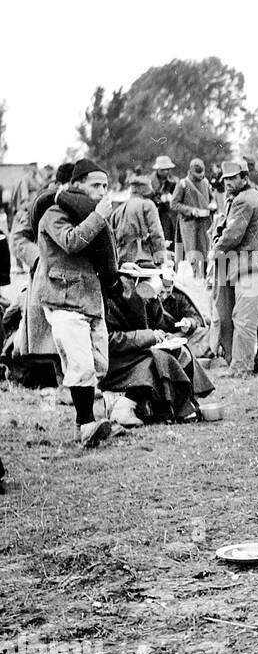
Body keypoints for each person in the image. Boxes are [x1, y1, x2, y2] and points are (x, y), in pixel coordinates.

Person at [28, 158, 118, 446]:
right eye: (96, 185)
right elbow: (71, 242)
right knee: (81, 365)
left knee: (98, 364)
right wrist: (99, 217)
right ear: (75, 185)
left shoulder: (89, 214)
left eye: (105, 185)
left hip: (90, 300)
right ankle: (86, 426)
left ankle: (91, 419)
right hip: (63, 298)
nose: (102, 191)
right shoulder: (54, 213)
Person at [101, 263, 215, 425]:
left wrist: (163, 333)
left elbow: (161, 324)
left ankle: (183, 402)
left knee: (180, 351)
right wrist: (149, 336)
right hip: (116, 361)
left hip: (137, 352)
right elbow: (110, 340)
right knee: (159, 359)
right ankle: (132, 408)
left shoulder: (149, 298)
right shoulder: (112, 301)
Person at [209, 158, 258, 376]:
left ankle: (241, 367)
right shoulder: (253, 196)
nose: (229, 183)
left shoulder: (243, 201)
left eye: (233, 178)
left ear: (245, 177)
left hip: (252, 266)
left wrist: (215, 250)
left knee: (243, 318)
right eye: (226, 179)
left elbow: (232, 235)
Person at [109, 176, 167, 267]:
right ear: (145, 191)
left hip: (121, 259)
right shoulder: (147, 205)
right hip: (142, 257)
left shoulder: (117, 210)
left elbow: (112, 238)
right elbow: (156, 232)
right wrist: (161, 257)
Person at [171, 158, 215, 270]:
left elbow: (212, 199)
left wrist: (213, 205)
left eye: (202, 173)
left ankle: (204, 277)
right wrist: (190, 210)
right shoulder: (183, 184)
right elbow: (174, 204)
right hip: (189, 224)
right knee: (192, 252)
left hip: (205, 222)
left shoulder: (206, 183)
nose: (201, 176)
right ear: (190, 172)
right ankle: (193, 277)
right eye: (197, 174)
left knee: (206, 251)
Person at [156, 263, 207, 355]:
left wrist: (189, 323)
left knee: (204, 332)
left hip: (176, 337)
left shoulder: (179, 297)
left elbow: (195, 317)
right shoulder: (147, 297)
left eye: (168, 292)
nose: (163, 296)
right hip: (154, 337)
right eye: (161, 292)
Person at [149, 156, 178, 248]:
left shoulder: (173, 181)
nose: (166, 172)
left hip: (169, 214)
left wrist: (170, 198)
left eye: (168, 169)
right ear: (158, 170)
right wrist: (159, 199)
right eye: (164, 170)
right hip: (155, 213)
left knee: (171, 237)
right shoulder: (150, 182)